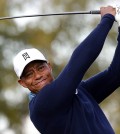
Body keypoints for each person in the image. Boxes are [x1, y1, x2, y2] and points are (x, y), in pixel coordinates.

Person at [13, 6, 120, 134]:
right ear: (22, 83)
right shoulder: (41, 105)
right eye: (29, 74)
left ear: (49, 66)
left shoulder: (79, 90)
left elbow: (115, 74)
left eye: (40, 68)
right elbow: (79, 62)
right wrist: (107, 19)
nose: (37, 76)